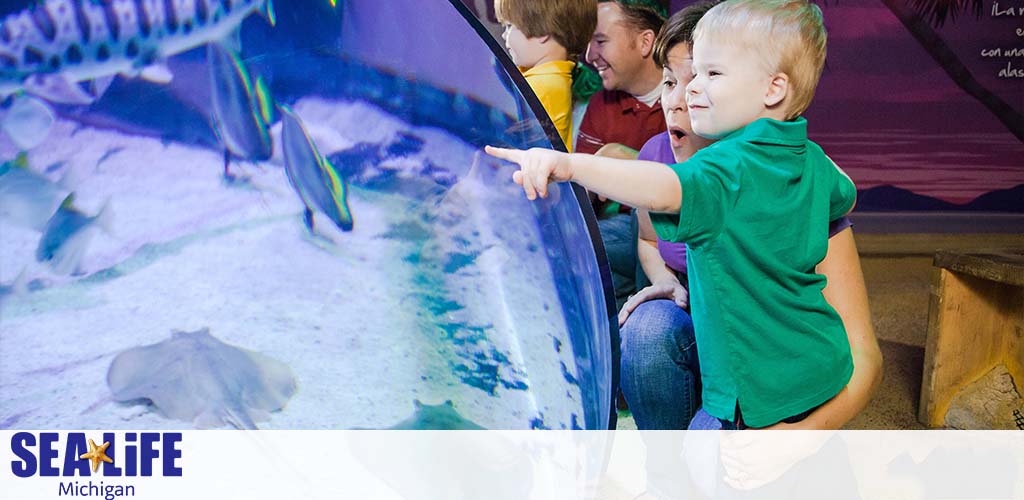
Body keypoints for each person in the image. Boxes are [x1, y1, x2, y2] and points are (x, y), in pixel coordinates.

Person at [486, 0, 859, 429]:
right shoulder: (810, 159)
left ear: (772, 89)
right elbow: (844, 195)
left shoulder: (727, 169)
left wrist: (569, 166)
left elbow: (663, 188)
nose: (692, 89)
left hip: (753, 393)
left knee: (710, 467)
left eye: (711, 74)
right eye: (689, 75)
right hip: (819, 367)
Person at [495, 0, 597, 152]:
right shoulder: (556, 75)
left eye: (510, 26)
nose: (504, 35)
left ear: (542, 33)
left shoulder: (543, 84)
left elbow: (529, 148)